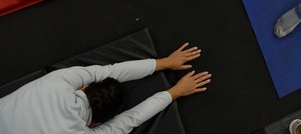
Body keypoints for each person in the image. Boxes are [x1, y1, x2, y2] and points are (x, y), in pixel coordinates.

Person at [0, 42, 211, 134]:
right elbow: (131, 120)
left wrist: (163, 63)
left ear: (86, 87)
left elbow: (111, 70)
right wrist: (175, 92)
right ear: (97, 124)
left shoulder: (58, 81)